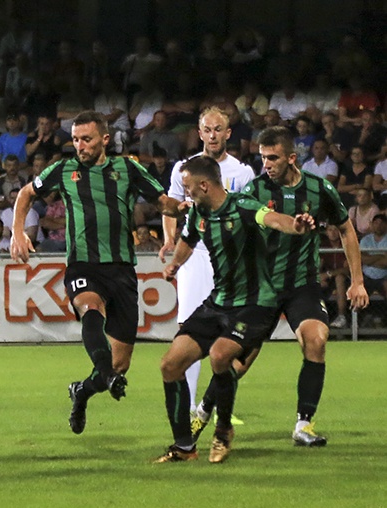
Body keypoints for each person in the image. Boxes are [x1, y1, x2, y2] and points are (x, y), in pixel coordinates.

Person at [10, 110, 180, 435]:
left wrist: (183, 206)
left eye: (86, 139)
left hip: (122, 271)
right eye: (75, 139)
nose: (79, 146)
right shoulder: (64, 169)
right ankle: (108, 376)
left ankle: (83, 390)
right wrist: (19, 232)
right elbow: (26, 193)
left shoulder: (127, 168)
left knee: (120, 363)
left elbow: (162, 203)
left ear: (104, 139)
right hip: (82, 265)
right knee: (90, 308)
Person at [198, 127, 369, 449]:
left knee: (316, 339)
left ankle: (304, 425)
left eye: (273, 158)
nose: (267, 164)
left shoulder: (320, 189)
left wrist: (357, 281)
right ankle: (204, 408)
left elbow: (346, 230)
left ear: (292, 158)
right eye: (263, 157)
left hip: (302, 285)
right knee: (238, 360)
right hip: (261, 288)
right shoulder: (254, 190)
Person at [155, 159, 317, 463]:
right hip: (219, 302)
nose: (185, 195)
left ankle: (223, 430)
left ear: (204, 185)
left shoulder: (243, 205)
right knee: (170, 365)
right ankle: (184, 448)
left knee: (219, 356)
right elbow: (188, 239)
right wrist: (175, 264)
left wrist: (295, 225)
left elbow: (273, 219)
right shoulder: (199, 213)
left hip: (256, 303)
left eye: (188, 187)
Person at [158, 107, 255, 411]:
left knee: (231, 336)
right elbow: (171, 207)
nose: (213, 135)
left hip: (231, 258)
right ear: (199, 133)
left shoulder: (242, 172)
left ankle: (213, 405)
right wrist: (170, 240)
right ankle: (186, 407)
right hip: (195, 252)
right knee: (189, 327)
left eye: (218, 130)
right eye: (207, 130)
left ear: (228, 133)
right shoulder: (182, 169)